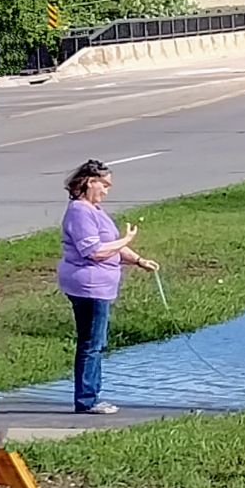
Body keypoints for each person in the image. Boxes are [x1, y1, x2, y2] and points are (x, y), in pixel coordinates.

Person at [57, 160, 158, 415]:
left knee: (95, 341)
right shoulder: (80, 212)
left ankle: (91, 395)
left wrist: (137, 259)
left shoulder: (94, 210)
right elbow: (94, 251)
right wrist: (126, 239)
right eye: (105, 184)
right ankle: (87, 400)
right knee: (91, 343)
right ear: (90, 181)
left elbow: (111, 244)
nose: (107, 190)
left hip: (99, 286)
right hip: (89, 286)